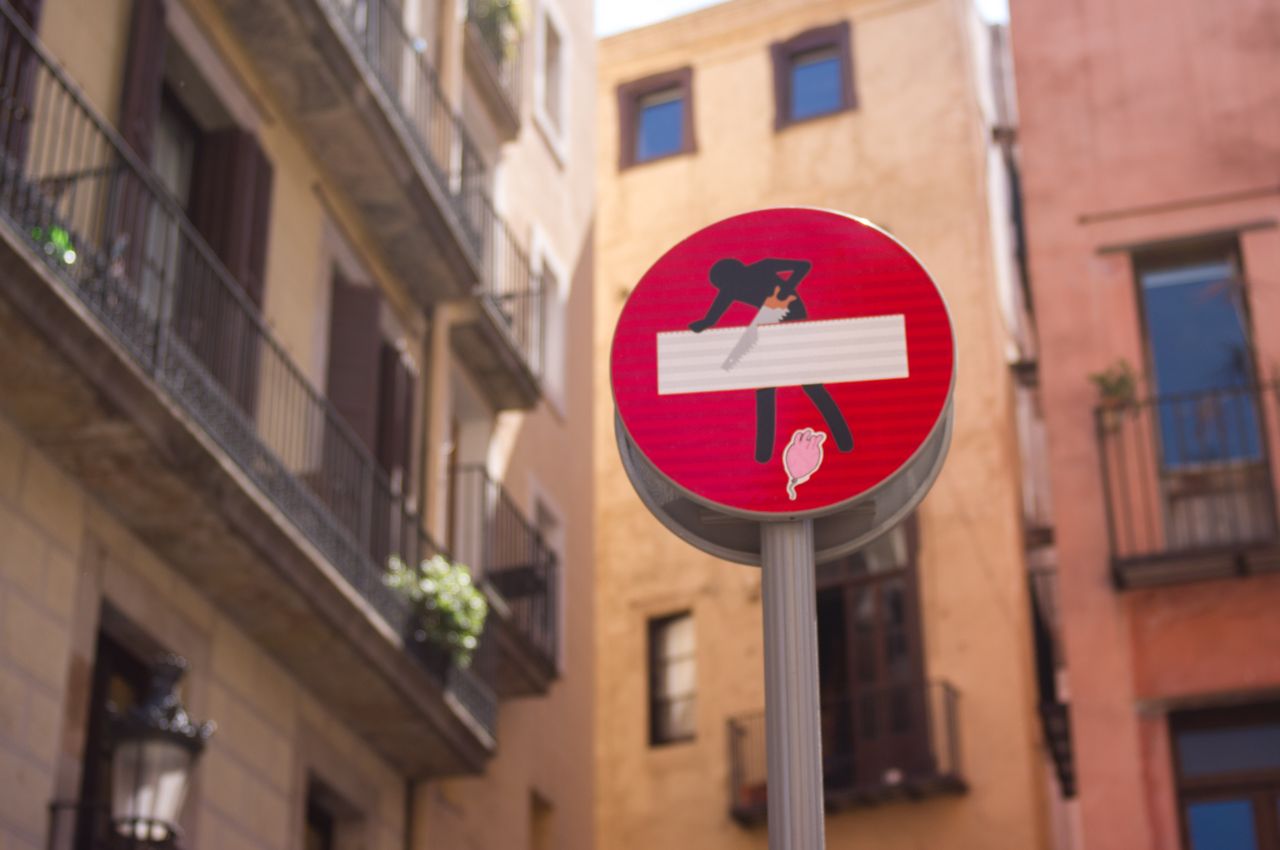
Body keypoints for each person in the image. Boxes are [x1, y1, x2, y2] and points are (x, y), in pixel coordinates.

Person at [688, 257, 854, 463]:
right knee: (767, 388)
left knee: (809, 385)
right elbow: (712, 316)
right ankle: (763, 457)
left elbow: (804, 265)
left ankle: (845, 444)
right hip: (769, 322)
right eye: (724, 287)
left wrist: (787, 289)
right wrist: (701, 325)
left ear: (736, 272)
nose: (729, 290)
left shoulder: (763, 266)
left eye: (727, 285)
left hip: (793, 319)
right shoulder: (730, 288)